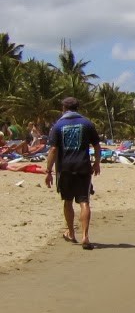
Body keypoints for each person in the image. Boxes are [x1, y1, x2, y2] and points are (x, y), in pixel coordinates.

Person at [44, 97, 102, 250]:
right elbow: (97, 146)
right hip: (83, 166)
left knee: (68, 201)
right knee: (84, 202)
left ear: (63, 108)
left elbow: (53, 150)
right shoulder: (87, 124)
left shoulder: (58, 125)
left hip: (65, 168)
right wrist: (96, 163)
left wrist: (48, 171)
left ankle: (71, 232)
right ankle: (85, 236)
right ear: (78, 107)